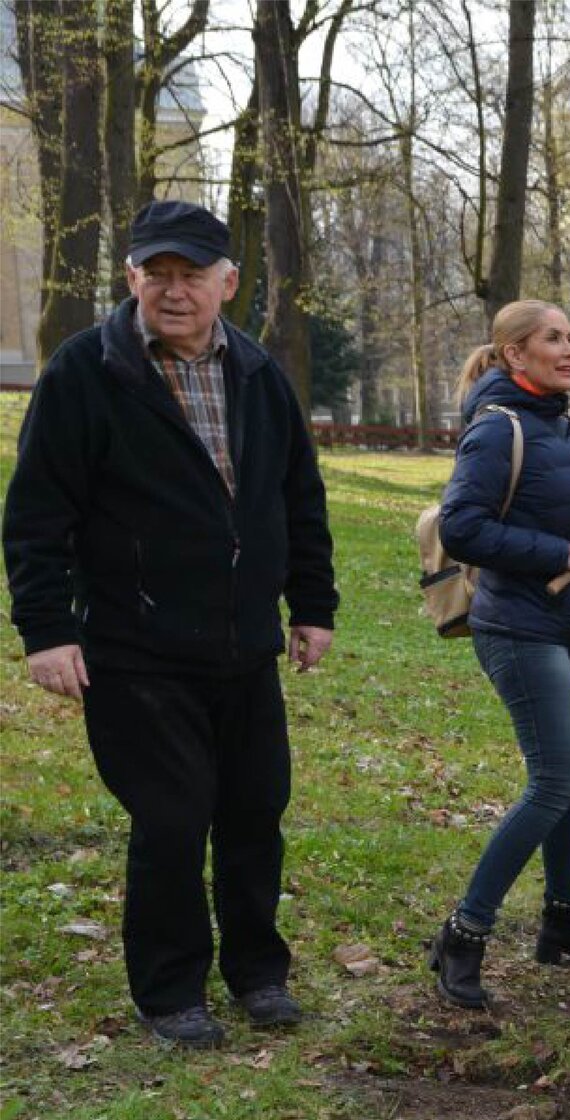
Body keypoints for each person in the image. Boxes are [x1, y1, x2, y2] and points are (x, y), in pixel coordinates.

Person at [2, 200, 337, 1048]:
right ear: (131, 279)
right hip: (136, 649)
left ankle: (260, 973)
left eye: (193, 275)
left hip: (244, 649)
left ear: (228, 282)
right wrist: (46, 630)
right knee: (173, 820)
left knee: (255, 812)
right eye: (158, 274)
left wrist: (314, 604)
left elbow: (299, 497)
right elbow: (37, 515)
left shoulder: (258, 374)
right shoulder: (86, 373)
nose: (174, 291)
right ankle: (170, 989)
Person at [428, 300, 570, 1009]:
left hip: (566, 624)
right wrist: (558, 553)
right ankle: (462, 935)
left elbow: (560, 505)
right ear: (514, 356)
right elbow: (462, 526)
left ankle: (563, 922)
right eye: (553, 338)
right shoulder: (496, 430)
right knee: (554, 777)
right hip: (517, 626)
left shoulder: (561, 423)